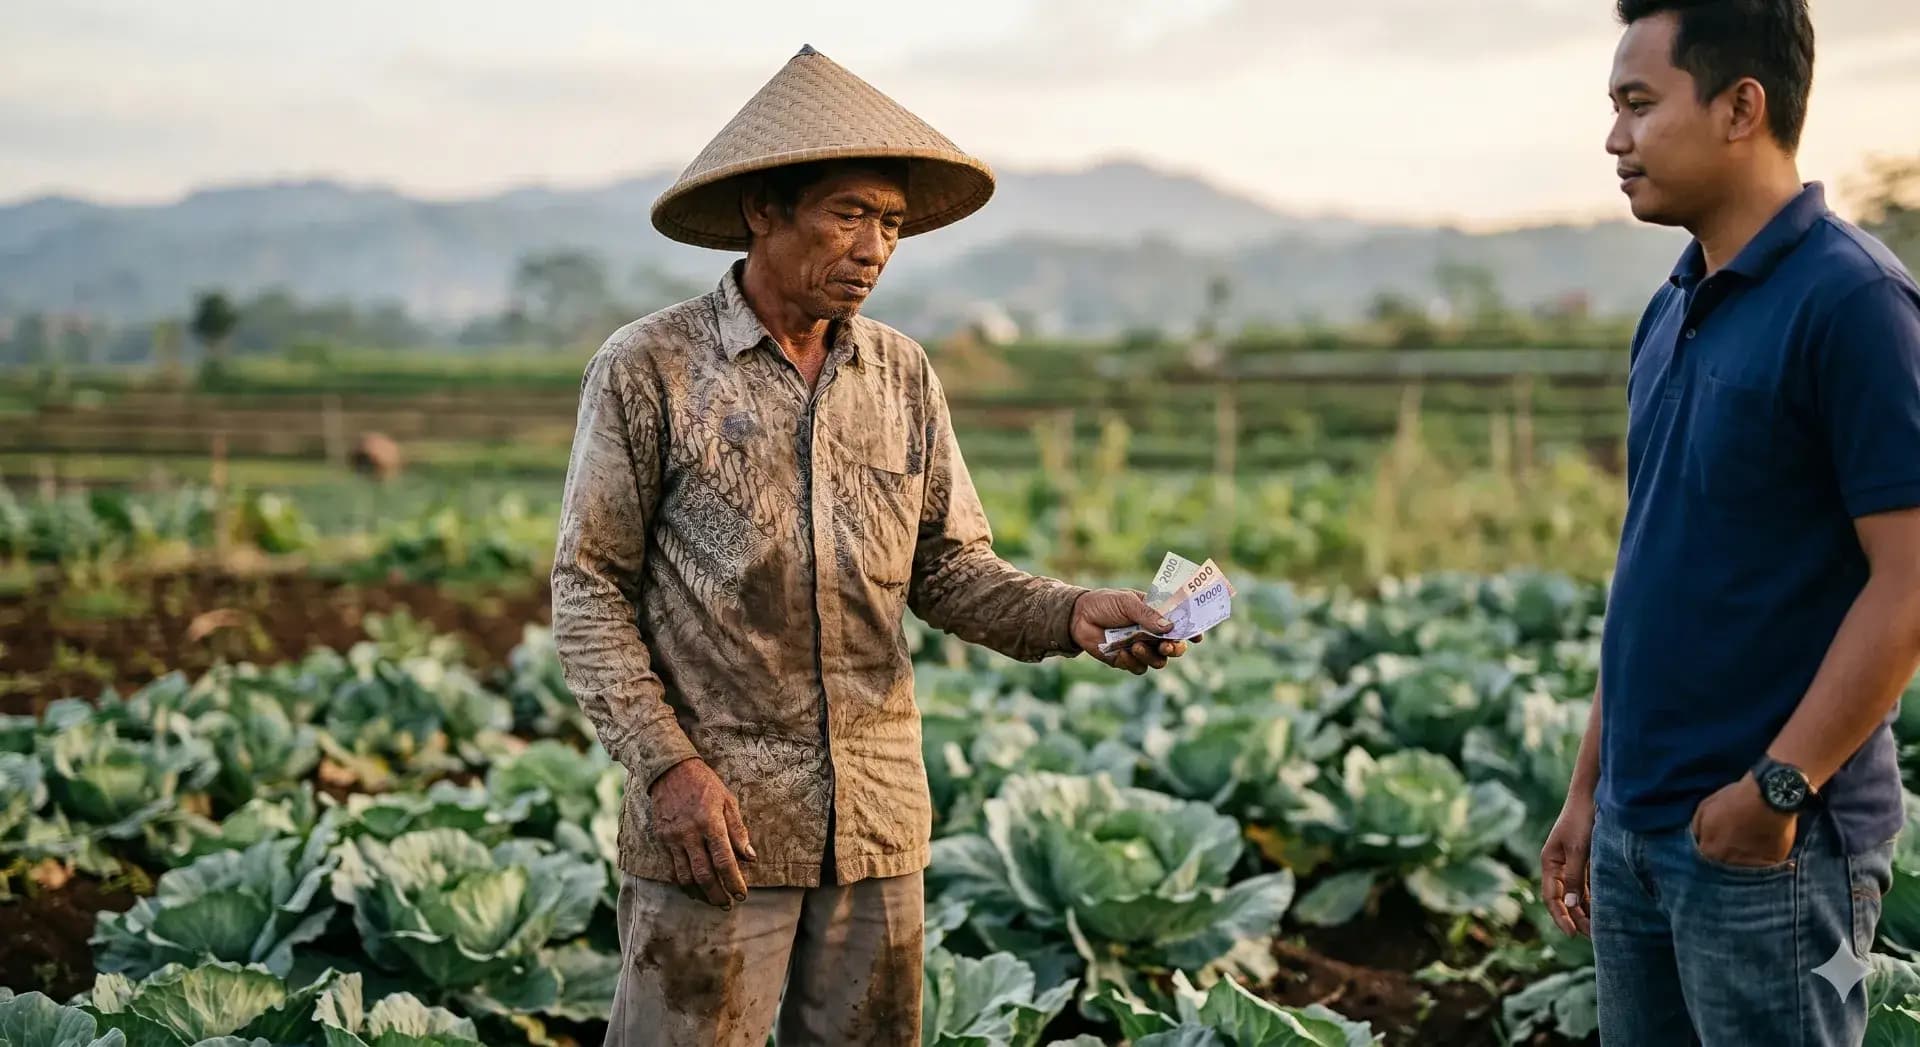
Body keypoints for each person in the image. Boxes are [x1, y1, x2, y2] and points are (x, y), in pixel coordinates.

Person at [549, 45, 1192, 1047]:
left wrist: (1074, 614)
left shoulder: (901, 375)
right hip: (717, 829)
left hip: (878, 826)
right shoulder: (651, 369)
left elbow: (947, 568)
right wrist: (666, 770)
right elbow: (587, 592)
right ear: (766, 208)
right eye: (849, 213)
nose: (874, 247)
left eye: (890, 223)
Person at [1538, 1, 1920, 1043]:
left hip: (1772, 853)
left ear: (1742, 105)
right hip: (1636, 833)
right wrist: (1590, 793)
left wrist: (1776, 788)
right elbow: (1650, 567)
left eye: (1638, 104)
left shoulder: (1854, 303)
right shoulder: (1672, 306)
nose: (1615, 139)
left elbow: (1911, 581)